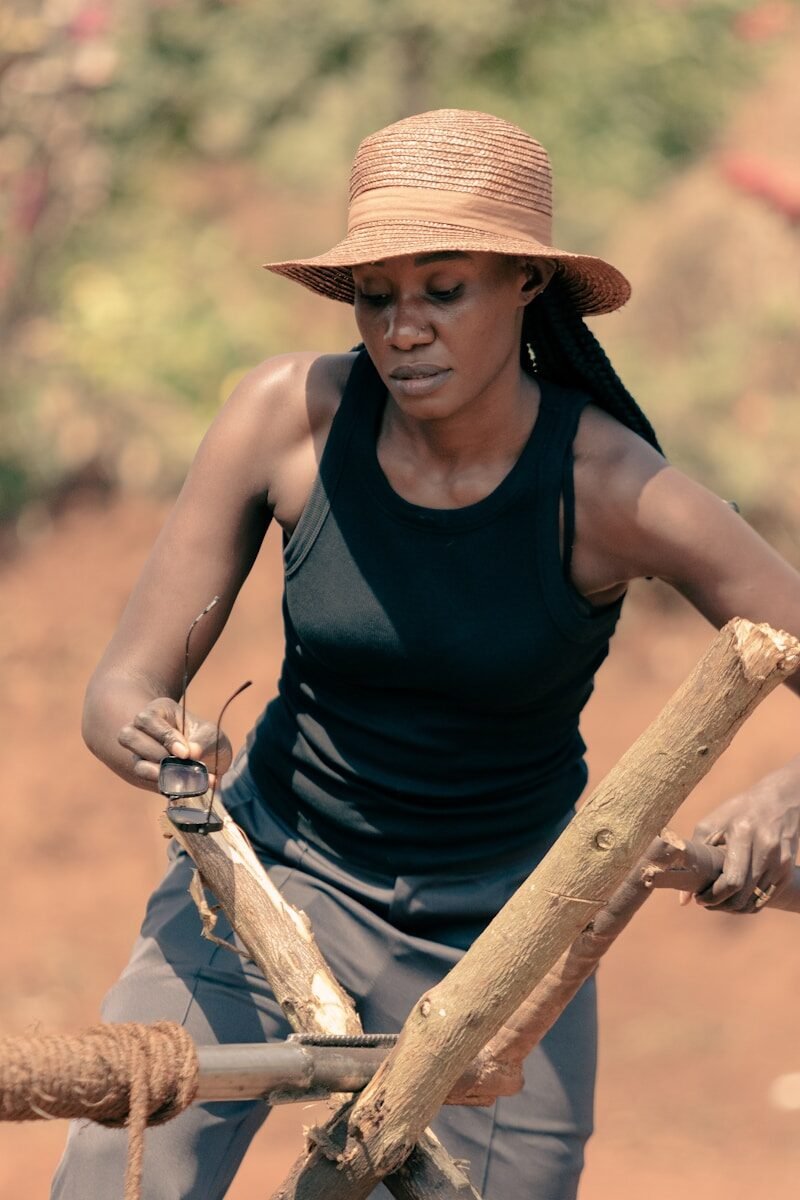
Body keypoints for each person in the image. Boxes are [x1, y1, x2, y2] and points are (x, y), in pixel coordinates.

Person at [51, 109, 800, 1200]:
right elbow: (119, 686)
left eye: (442, 290)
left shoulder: (611, 490)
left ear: (523, 287)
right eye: (376, 296)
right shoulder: (286, 421)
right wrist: (154, 738)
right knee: (118, 1176)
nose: (402, 329)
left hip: (509, 934)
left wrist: (782, 795)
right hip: (267, 873)